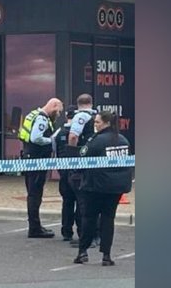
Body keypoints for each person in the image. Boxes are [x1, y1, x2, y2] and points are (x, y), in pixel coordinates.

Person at [71, 110, 132, 266]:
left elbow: (82, 158)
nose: (95, 125)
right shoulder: (123, 140)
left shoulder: (96, 140)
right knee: (108, 219)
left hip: (95, 187)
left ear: (106, 123)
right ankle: (106, 255)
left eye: (97, 122)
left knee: (88, 218)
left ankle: (82, 252)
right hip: (116, 188)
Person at [18, 97, 64, 238]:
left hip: (30, 158)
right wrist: (51, 141)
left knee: (33, 193)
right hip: (36, 160)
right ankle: (34, 228)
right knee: (35, 195)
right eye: (58, 111)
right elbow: (35, 138)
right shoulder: (42, 119)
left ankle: (35, 226)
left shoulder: (33, 114)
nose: (58, 114)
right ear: (54, 105)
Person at [66, 94, 99, 248]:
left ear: (78, 104)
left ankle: (86, 237)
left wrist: (72, 157)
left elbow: (73, 137)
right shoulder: (97, 115)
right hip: (97, 162)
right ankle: (97, 235)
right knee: (95, 199)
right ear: (91, 103)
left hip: (83, 163)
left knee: (83, 201)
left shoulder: (80, 117)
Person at [54, 106, 83, 243]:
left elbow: (54, 151)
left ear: (66, 116)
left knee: (67, 203)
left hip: (64, 173)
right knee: (80, 202)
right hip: (77, 172)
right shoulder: (79, 132)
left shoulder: (59, 132)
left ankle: (66, 232)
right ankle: (81, 231)